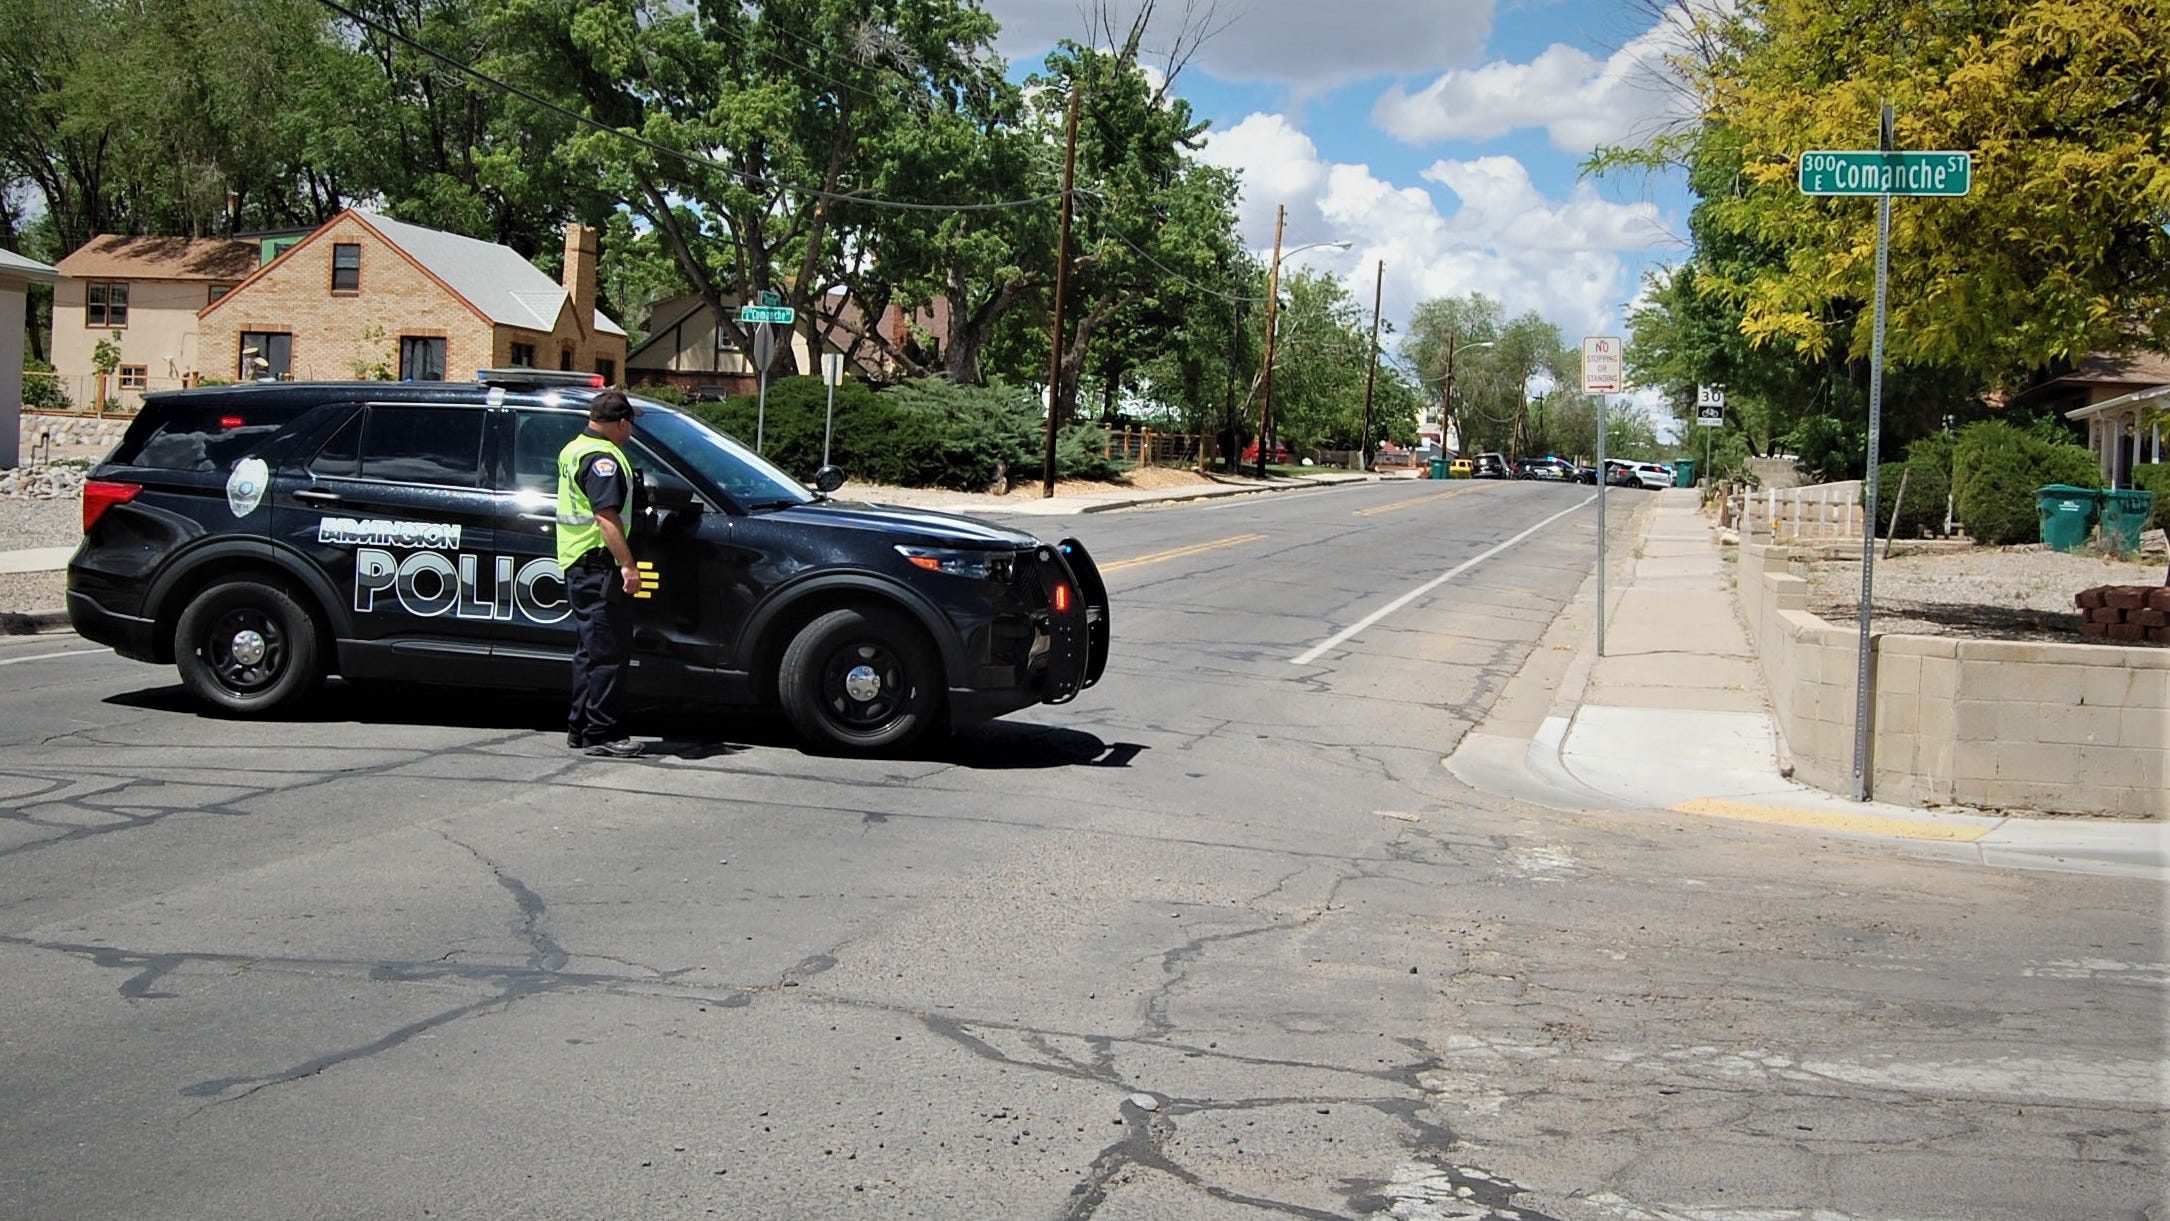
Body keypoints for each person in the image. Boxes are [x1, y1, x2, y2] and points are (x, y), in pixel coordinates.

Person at [556, 390, 646, 757]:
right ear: (621, 422)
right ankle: (601, 733)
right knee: (608, 653)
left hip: (578, 561)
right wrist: (628, 564)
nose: (630, 431)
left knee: (590, 652)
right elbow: (606, 518)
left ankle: (580, 727)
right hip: (599, 564)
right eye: (630, 424)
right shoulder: (602, 459)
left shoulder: (574, 447)